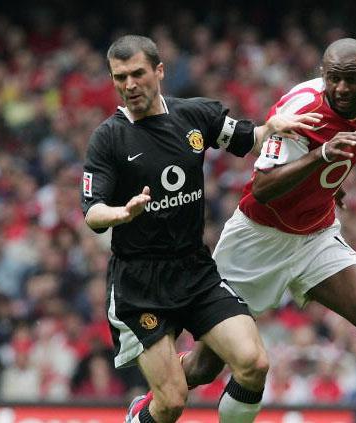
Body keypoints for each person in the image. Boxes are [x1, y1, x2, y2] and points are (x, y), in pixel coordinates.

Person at [80, 35, 321, 423]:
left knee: (254, 363)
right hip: (141, 283)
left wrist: (270, 126)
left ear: (159, 71)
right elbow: (92, 212)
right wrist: (121, 213)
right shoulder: (108, 138)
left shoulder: (195, 116)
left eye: (138, 73)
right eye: (119, 77)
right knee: (173, 402)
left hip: (194, 270)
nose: (129, 85)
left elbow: (248, 138)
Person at [174, 38, 356, 423]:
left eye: (353, 79)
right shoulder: (302, 110)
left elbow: (336, 156)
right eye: (334, 78)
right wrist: (322, 157)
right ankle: (149, 405)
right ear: (322, 74)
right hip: (256, 239)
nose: (343, 88)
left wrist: (331, 182)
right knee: (203, 368)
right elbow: (263, 188)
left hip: (315, 235)